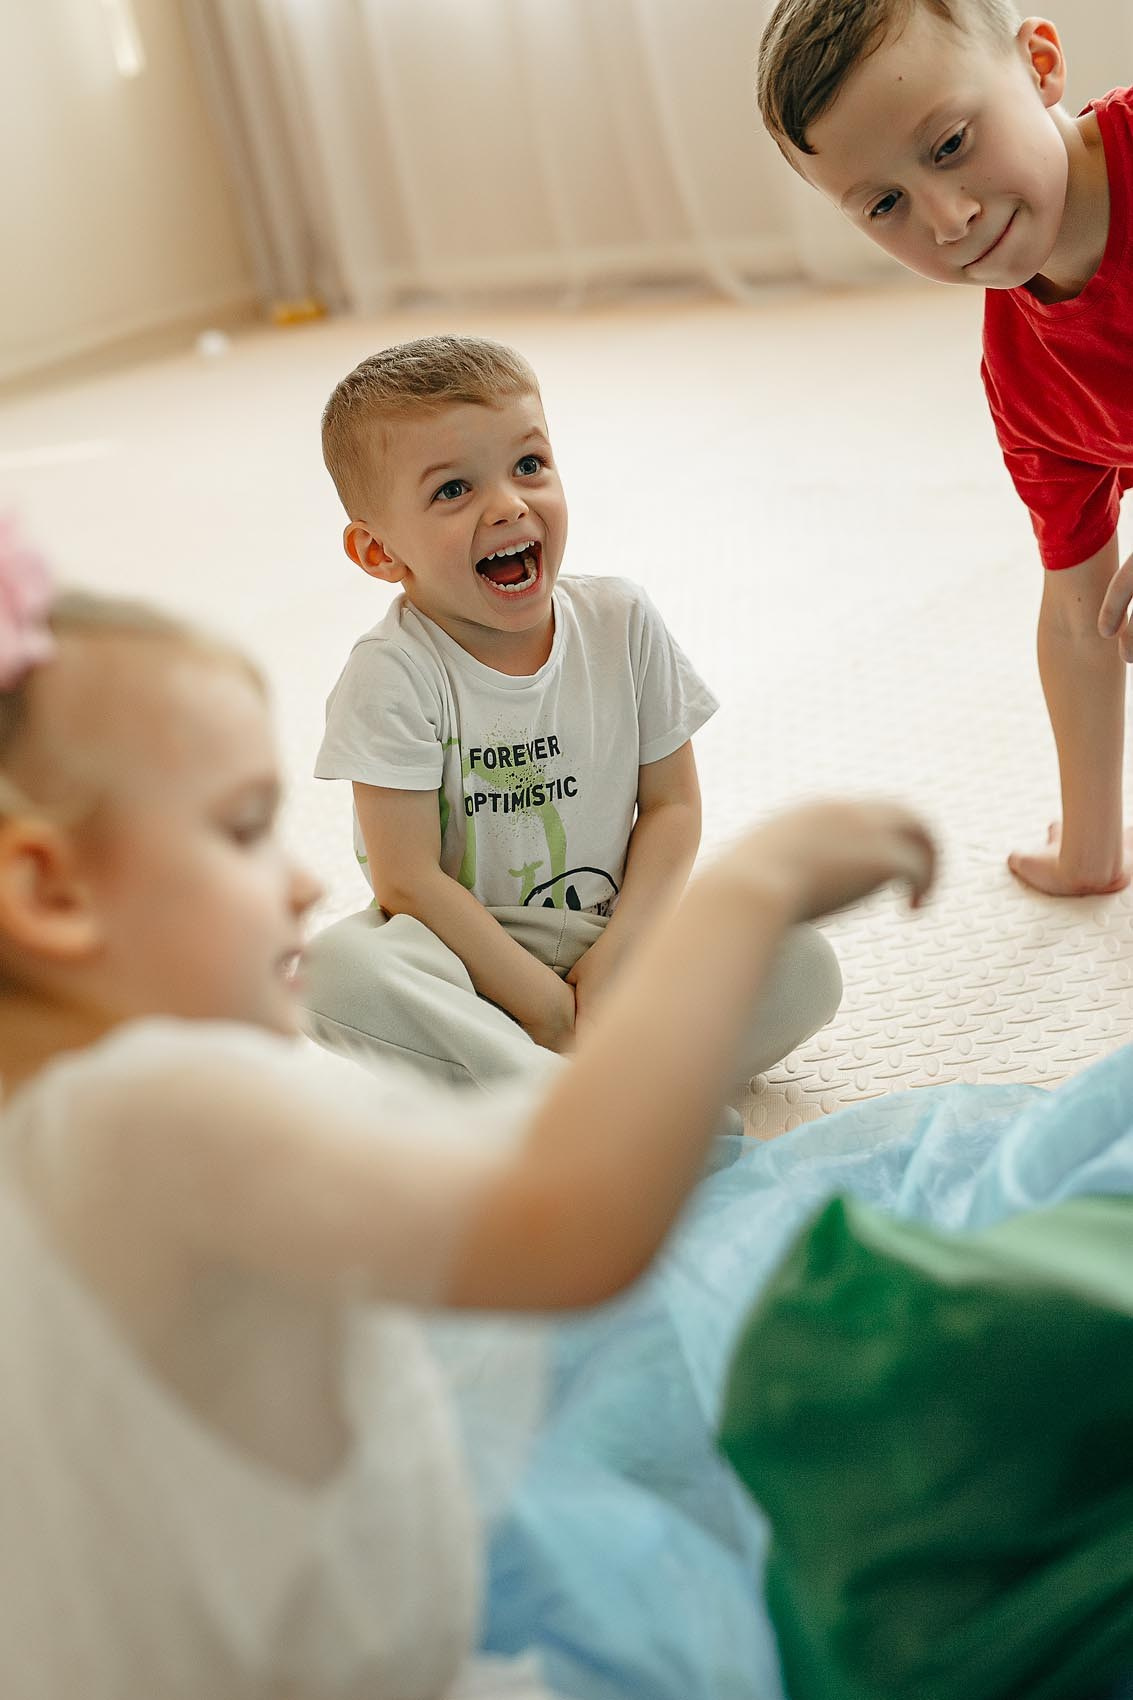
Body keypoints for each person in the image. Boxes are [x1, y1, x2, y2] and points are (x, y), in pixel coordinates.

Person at [0, 525, 934, 1699]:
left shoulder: (63, 1113)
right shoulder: (157, 1109)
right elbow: (565, 1224)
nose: (297, 879)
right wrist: (750, 892)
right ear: (49, 889)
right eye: (243, 828)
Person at [302, 334, 842, 1087]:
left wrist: (615, 961)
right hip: (464, 957)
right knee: (337, 971)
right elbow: (408, 881)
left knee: (801, 965)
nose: (508, 505)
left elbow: (672, 807)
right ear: (379, 553)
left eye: (529, 465)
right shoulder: (390, 672)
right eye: (452, 490)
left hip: (612, 937)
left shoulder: (620, 620)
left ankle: (536, 1090)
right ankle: (577, 1099)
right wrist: (544, 1008)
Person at [756, 1, 1133, 897]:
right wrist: (1090, 847)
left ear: (1040, 64)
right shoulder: (1027, 376)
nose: (949, 218)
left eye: (951, 144)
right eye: (884, 204)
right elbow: (1080, 616)